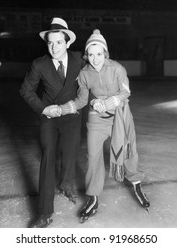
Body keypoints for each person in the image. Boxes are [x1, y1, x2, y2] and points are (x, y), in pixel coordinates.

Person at [53, 29, 150, 223]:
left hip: (120, 116)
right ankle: (93, 197)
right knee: (93, 156)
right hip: (97, 119)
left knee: (128, 151)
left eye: (99, 54)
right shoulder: (84, 74)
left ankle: (136, 184)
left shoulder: (117, 69)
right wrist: (62, 108)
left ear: (105, 53)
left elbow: (126, 93)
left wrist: (110, 101)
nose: (95, 58)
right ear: (86, 55)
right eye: (91, 54)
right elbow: (81, 100)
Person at [20, 17, 85, 228]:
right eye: (50, 42)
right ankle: (45, 212)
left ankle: (66, 183)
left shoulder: (79, 60)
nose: (54, 47)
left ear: (67, 43)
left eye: (58, 42)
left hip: (72, 117)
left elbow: (100, 67)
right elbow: (26, 90)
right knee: (48, 156)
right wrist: (42, 108)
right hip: (49, 117)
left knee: (70, 150)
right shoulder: (39, 64)